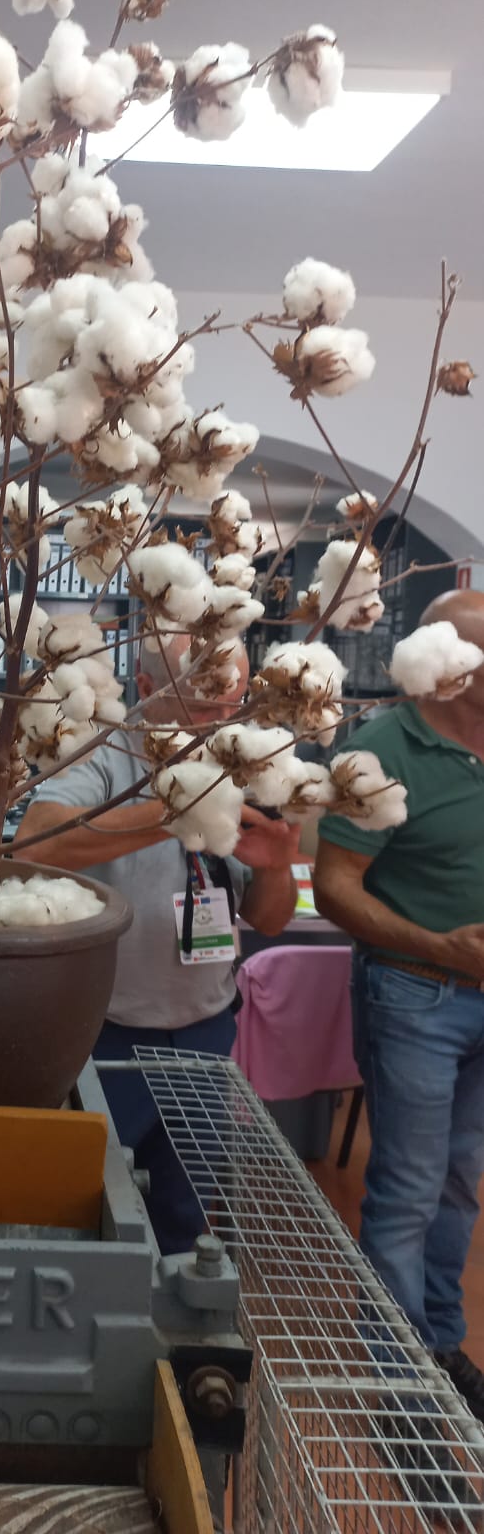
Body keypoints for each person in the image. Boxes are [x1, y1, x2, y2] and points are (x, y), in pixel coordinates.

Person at [15, 632, 299, 1255]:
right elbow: (37, 841)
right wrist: (176, 809)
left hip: (205, 1033)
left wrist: (278, 866)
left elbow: (270, 919)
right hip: (102, 1033)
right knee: (87, 1212)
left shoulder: (239, 760)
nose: (223, 720)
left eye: (235, 702)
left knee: (184, 1215)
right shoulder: (105, 750)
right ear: (145, 690)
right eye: (203, 703)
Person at [315, 590, 484, 1419]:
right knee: (411, 1186)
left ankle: (440, 1348)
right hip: (417, 991)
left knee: (458, 1182)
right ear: (449, 665)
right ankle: (398, 1384)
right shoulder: (381, 748)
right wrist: (438, 946)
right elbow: (334, 886)